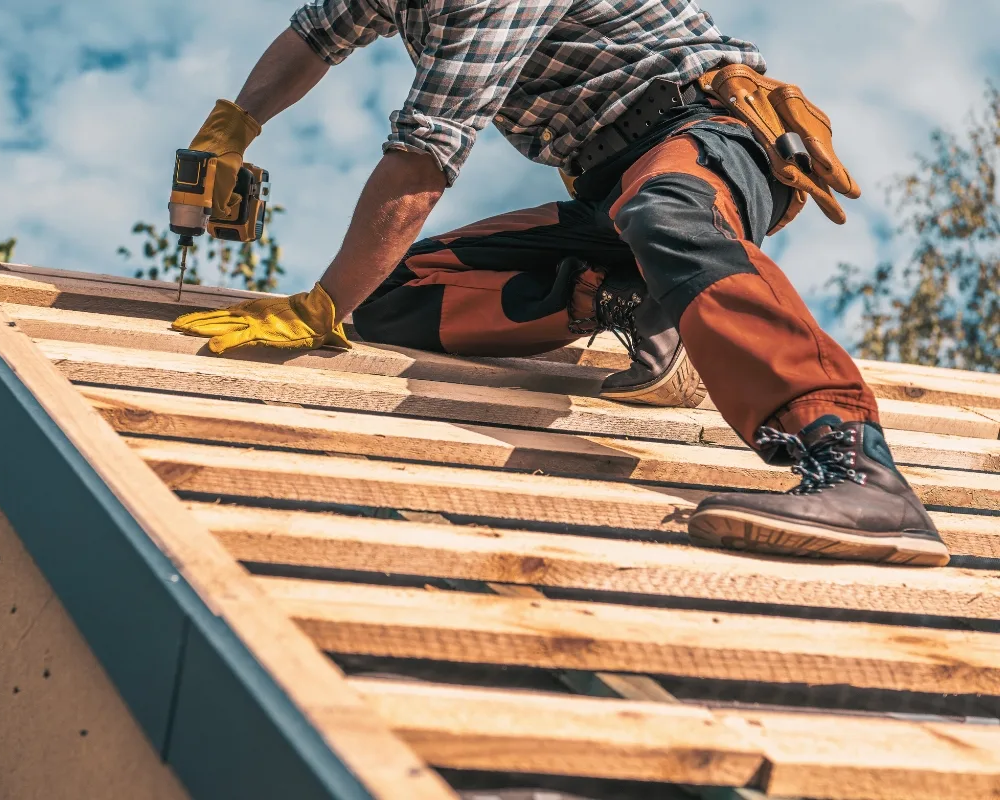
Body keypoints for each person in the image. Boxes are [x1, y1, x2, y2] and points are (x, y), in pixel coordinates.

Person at [171, 0, 951, 568]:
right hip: (610, 191)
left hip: (706, 135)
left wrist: (320, 307)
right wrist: (234, 124)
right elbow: (316, 34)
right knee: (394, 295)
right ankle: (632, 297)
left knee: (668, 212)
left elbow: (425, 155)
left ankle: (854, 464)